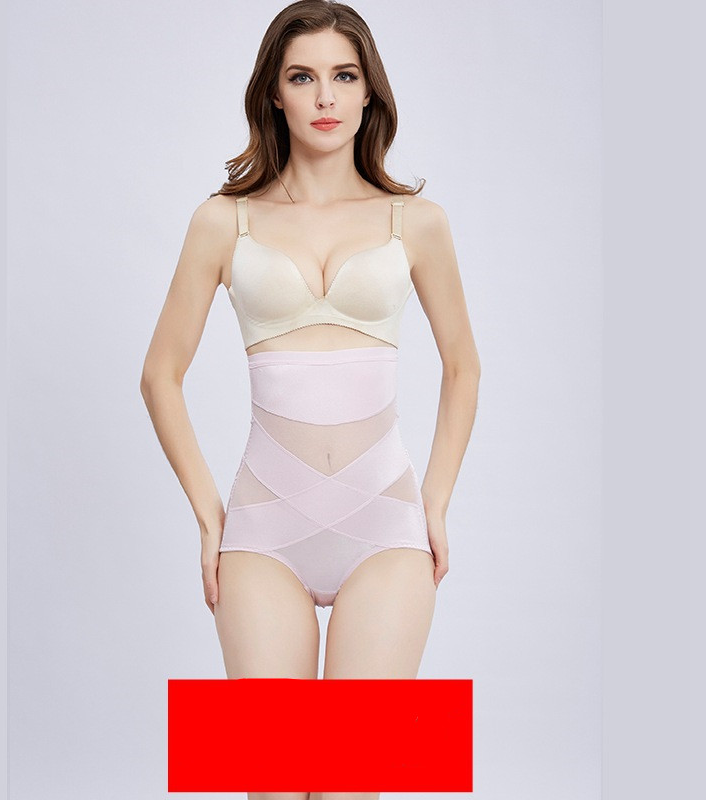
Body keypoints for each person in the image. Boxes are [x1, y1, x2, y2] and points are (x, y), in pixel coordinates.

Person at [141, 1, 479, 795]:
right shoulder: (222, 221)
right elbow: (160, 374)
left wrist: (435, 502)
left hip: (385, 528)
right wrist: (209, 519)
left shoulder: (418, 221)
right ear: (274, 93)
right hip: (263, 531)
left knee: (354, 781)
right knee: (273, 782)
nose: (326, 96)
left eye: (344, 75)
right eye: (303, 77)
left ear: (369, 92)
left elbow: (463, 366)